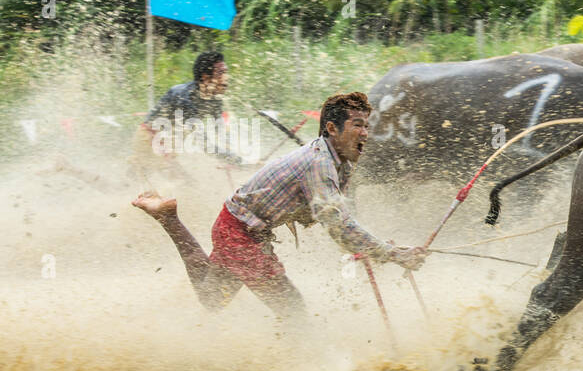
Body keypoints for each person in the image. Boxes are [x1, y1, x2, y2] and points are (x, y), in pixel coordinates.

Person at [131, 91, 428, 319]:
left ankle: (169, 218)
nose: (365, 132)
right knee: (293, 309)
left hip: (245, 227)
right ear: (332, 129)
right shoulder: (319, 164)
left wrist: (375, 245)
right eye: (357, 124)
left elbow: (342, 219)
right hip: (239, 230)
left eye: (367, 125)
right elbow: (339, 228)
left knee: (212, 299)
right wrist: (389, 253)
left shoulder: (341, 163)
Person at [130, 50, 237, 185]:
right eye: (221, 73)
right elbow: (202, 142)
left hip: (167, 144)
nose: (226, 77)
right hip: (150, 139)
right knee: (187, 185)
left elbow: (220, 130)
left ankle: (111, 186)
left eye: (226, 72)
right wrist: (228, 156)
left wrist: (232, 154)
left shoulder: (215, 99)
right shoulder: (184, 98)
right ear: (205, 77)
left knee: (138, 178)